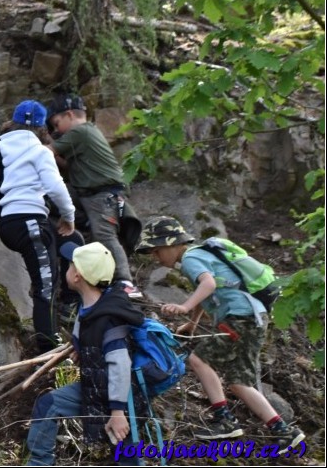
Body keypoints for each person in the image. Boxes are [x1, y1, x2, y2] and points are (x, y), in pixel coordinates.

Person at [136, 216, 305, 448]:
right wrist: (193, 322)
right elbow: (206, 291)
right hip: (254, 317)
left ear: (171, 243)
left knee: (199, 359)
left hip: (240, 318)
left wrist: (183, 306)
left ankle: (223, 419)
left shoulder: (190, 259)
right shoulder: (200, 255)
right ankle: (283, 430)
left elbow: (208, 285)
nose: (155, 257)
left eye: (156, 251)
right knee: (239, 382)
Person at [0, 100, 79, 353]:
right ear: (43, 128)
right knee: (46, 285)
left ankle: (61, 313)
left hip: (8, 225)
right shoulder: (41, 152)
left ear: (12, 122)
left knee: (67, 245)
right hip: (31, 223)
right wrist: (69, 216)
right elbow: (55, 187)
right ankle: (48, 345)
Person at [26, 241, 145, 466]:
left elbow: (120, 365)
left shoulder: (109, 318)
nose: (66, 269)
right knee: (48, 404)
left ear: (78, 276)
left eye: (70, 265)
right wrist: (83, 352)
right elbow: (85, 336)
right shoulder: (89, 307)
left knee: (124, 449)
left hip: (118, 399)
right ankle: (39, 462)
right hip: (94, 388)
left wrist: (118, 412)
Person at [45, 93, 142, 298]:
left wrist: (24, 145)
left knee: (105, 234)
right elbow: (66, 164)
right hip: (86, 195)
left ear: (70, 115)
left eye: (56, 124)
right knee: (52, 193)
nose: (55, 131)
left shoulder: (80, 131)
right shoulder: (86, 133)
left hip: (102, 195)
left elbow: (47, 152)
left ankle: (125, 282)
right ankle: (85, 223)